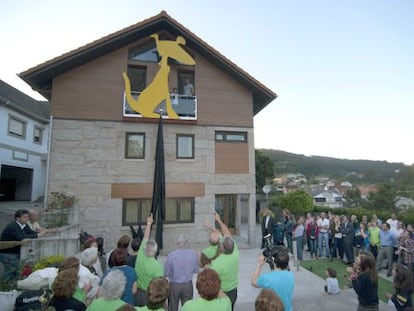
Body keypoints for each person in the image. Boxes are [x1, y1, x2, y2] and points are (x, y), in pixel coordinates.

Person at [0, 209, 45, 279]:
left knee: (14, 271)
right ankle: (5, 287)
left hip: (14, 252)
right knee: (10, 272)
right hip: (7, 253)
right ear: (18, 218)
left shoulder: (24, 225)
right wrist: (38, 235)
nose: (27, 219)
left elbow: (31, 232)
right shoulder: (13, 226)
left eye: (27, 217)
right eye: (24, 217)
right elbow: (21, 237)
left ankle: (9, 287)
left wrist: (38, 233)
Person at [210, 212, 239, 310]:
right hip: (233, 291)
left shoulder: (217, 263)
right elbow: (227, 233)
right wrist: (219, 220)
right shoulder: (235, 253)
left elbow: (211, 280)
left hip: (221, 293)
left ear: (222, 248)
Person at [251, 246, 294, 311]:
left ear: (274, 261)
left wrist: (259, 265)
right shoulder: (291, 275)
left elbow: (253, 282)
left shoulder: (267, 278)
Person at [135, 214, 164, 307]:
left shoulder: (140, 255)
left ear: (144, 248)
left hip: (137, 294)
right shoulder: (157, 265)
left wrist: (149, 223)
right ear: (155, 251)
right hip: (149, 295)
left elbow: (145, 238)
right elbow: (159, 285)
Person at [164, 234, 199, 311]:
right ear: (187, 243)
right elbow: (196, 270)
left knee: (172, 307)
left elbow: (166, 272)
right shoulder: (193, 254)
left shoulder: (171, 255)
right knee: (188, 308)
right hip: (188, 285)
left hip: (174, 285)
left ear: (177, 243)